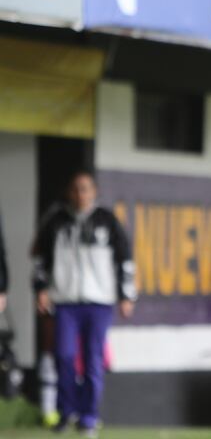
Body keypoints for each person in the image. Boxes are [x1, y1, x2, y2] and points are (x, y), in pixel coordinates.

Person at [32, 171, 136, 437]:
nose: (81, 194)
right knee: (64, 357)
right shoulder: (56, 221)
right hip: (65, 301)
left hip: (99, 302)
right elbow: (39, 258)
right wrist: (41, 289)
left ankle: (89, 417)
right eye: (76, 189)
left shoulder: (107, 221)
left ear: (94, 191)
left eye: (86, 189)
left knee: (92, 361)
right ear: (70, 192)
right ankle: (66, 412)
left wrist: (126, 295)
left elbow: (125, 259)